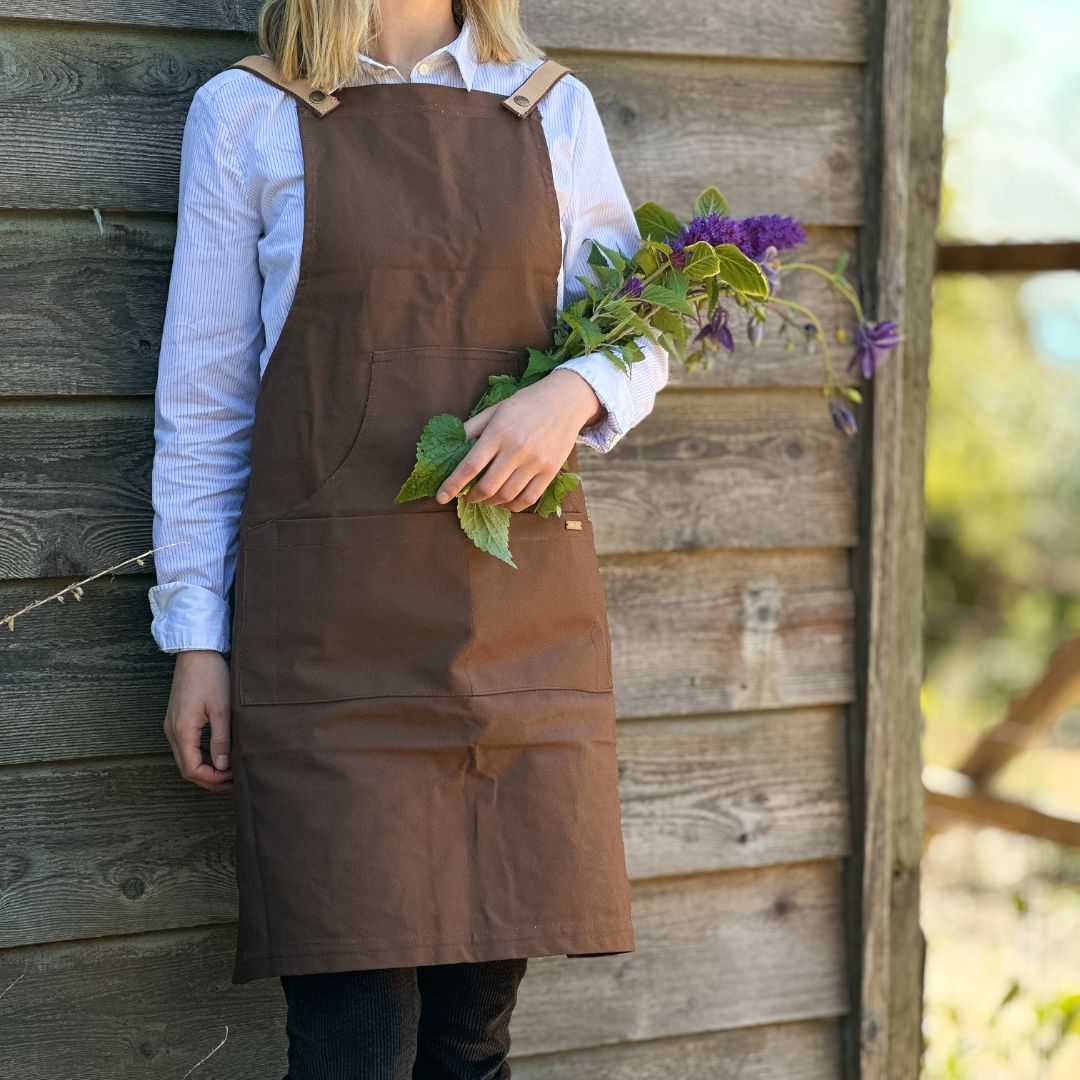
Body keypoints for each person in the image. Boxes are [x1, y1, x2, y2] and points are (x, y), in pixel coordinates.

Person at [151, 0, 668, 1075]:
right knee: (351, 1048)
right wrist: (197, 637)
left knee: (472, 1043)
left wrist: (571, 392)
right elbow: (205, 404)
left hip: (512, 627)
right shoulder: (245, 113)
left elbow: (647, 324)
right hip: (329, 646)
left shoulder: (549, 109)